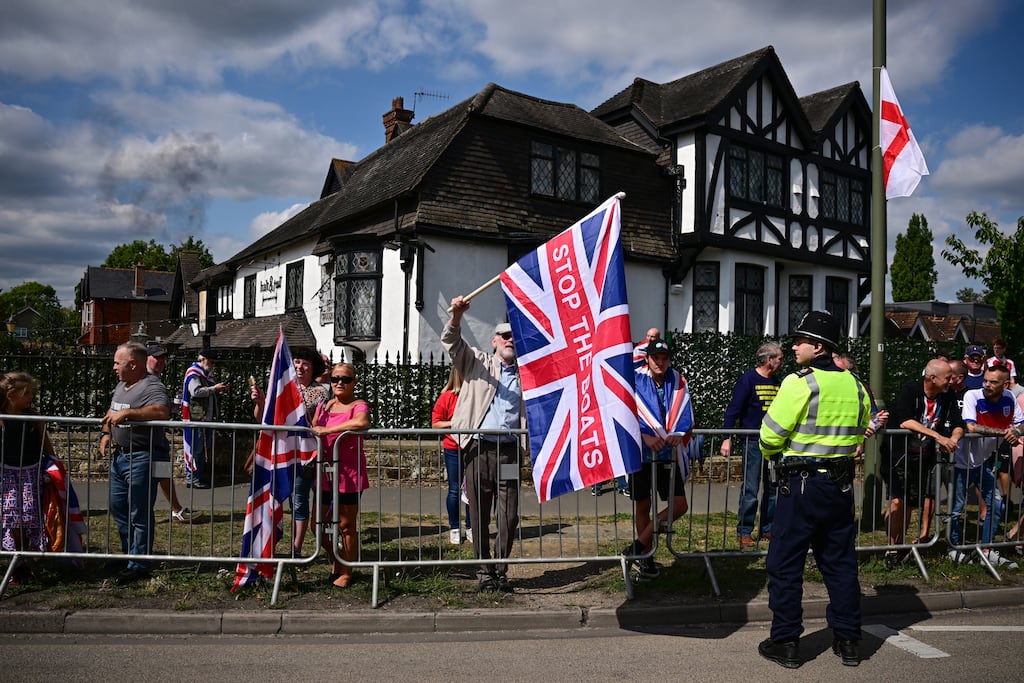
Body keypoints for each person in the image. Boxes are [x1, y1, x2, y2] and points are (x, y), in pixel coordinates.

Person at [757, 311, 870, 669]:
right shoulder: (854, 383)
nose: (793, 346)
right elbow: (863, 424)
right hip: (839, 486)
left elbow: (769, 435)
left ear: (817, 347)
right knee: (839, 564)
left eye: (799, 341)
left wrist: (774, 451)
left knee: (784, 564)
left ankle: (786, 641)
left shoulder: (799, 382)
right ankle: (849, 641)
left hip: (801, 485)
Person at [442, 296, 526, 593]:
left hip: (510, 451)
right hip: (479, 449)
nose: (510, 340)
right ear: (494, 341)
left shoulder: (527, 373)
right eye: (505, 335)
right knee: (478, 512)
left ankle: (500, 569)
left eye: (514, 335)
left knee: (510, 514)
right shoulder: (477, 362)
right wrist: (457, 316)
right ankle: (484, 570)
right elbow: (452, 342)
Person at [99, 342, 171, 585]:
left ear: (133, 364)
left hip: (142, 457)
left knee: (138, 511)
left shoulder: (152, 386)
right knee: (118, 507)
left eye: (117, 362)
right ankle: (129, 554)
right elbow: (112, 411)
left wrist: (129, 414)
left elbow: (162, 411)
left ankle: (139, 563)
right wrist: (106, 433)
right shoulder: (122, 385)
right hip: (121, 457)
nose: (113, 367)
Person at [880, 360, 963, 569]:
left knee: (908, 504)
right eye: (947, 378)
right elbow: (905, 420)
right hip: (898, 454)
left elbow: (957, 423)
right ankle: (892, 548)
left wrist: (953, 438)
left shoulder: (947, 395)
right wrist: (937, 437)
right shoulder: (911, 389)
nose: (950, 382)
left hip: (922, 457)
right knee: (898, 501)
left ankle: (898, 546)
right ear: (932, 378)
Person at [626, 339, 694, 579]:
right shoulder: (635, 379)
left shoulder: (677, 381)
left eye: (664, 358)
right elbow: (626, 413)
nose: (661, 362)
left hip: (668, 454)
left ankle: (637, 546)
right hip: (642, 454)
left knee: (679, 505)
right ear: (648, 359)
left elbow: (685, 411)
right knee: (643, 504)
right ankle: (645, 557)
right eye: (656, 358)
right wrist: (643, 436)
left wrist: (678, 432)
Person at [250, 346, 329, 555]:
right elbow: (262, 419)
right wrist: (261, 402)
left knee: (298, 499)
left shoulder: (319, 392)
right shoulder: (282, 388)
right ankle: (271, 542)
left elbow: (299, 415)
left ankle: (296, 548)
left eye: (305, 364)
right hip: (281, 452)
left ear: (313, 369)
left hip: (304, 455)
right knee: (274, 497)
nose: (300, 367)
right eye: (297, 362)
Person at [949, 362, 1022, 569]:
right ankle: (952, 547)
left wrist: (1016, 431)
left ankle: (987, 549)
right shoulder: (973, 395)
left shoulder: (1009, 398)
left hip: (982, 462)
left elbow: (1020, 423)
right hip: (962, 462)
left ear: (1006, 384)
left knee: (996, 504)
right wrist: (1005, 433)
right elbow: (971, 425)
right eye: (986, 380)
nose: (987, 385)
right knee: (956, 508)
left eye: (993, 382)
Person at [310, 362, 370, 587]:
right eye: (335, 378)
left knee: (346, 526)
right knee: (316, 525)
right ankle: (337, 558)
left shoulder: (359, 404)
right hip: (324, 474)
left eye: (345, 379)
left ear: (354, 382)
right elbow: (313, 428)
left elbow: (362, 422)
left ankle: (347, 571)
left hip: (349, 476)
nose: (339, 383)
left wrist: (329, 430)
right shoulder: (324, 407)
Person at [721, 342, 782, 549]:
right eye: (779, 358)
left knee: (773, 486)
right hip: (753, 442)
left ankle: (768, 528)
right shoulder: (748, 379)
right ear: (769, 359)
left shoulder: (777, 381)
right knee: (751, 487)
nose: (782, 362)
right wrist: (726, 437)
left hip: (773, 444)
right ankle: (744, 531)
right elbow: (734, 408)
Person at [0, 372, 57, 585]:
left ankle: (23, 557)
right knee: (10, 514)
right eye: (27, 393)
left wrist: (53, 462)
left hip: (31, 471)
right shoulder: (3, 418)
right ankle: (16, 559)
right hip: (6, 472)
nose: (31, 397)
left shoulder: (33, 418)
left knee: (27, 513)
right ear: (11, 394)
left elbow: (46, 443)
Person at [145, 344, 195, 523]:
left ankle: (176, 509)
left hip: (158, 439)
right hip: (145, 441)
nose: (160, 361)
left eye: (162, 358)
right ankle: (151, 512)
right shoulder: (144, 380)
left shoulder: (156, 380)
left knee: (163, 473)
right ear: (146, 359)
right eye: (156, 357)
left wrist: (173, 406)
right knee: (149, 478)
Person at [431, 365, 472, 545]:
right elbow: (435, 424)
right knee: (455, 489)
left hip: (472, 447)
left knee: (473, 489)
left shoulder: (475, 396)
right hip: (453, 448)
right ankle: (455, 527)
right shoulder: (447, 397)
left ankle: (472, 527)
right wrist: (455, 423)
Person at [181, 349, 229, 488]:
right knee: (196, 448)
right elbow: (195, 392)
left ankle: (198, 477)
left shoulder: (206, 375)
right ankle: (192, 479)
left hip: (205, 417)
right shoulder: (194, 374)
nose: (213, 365)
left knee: (202, 449)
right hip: (196, 418)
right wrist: (214, 389)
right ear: (203, 359)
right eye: (211, 362)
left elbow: (209, 393)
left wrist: (220, 390)